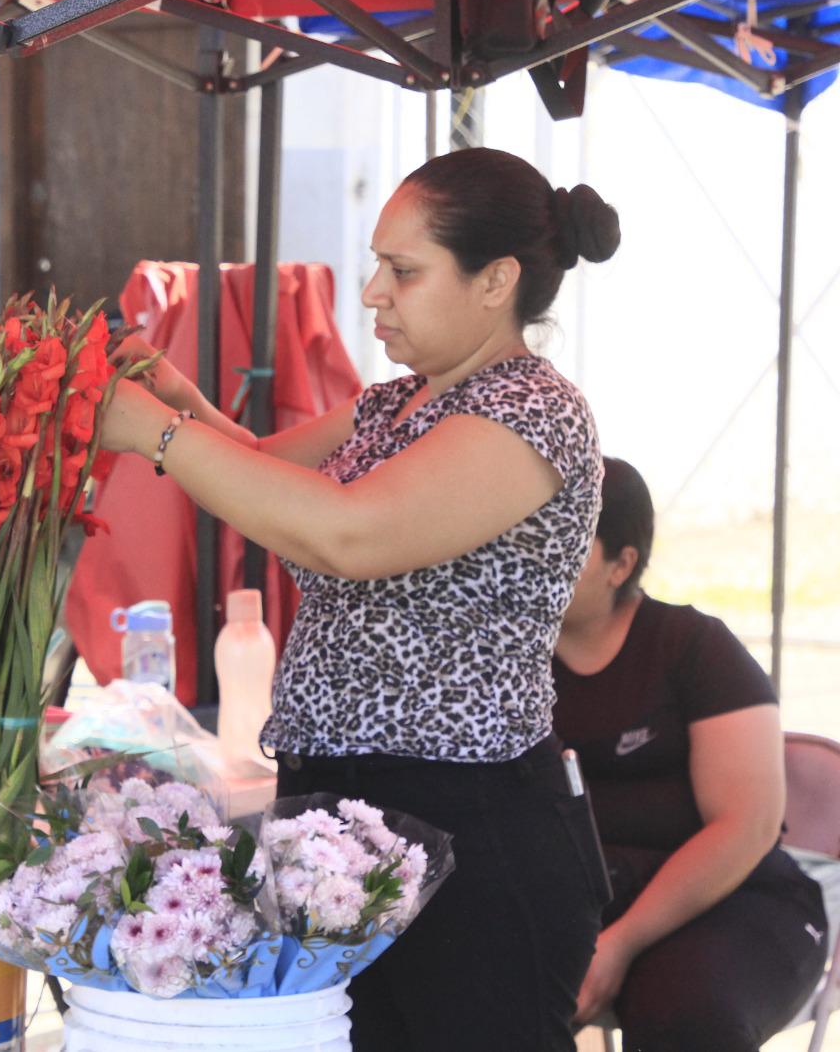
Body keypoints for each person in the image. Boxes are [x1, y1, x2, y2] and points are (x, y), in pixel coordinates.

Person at [99, 146, 620, 1049]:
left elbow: (348, 535)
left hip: (473, 822)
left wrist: (157, 431)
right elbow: (265, 478)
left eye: (404, 271)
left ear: (496, 281)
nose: (374, 291)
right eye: (379, 264)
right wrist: (182, 403)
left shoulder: (534, 411)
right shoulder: (396, 405)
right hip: (338, 814)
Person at [554, 457, 828, 1051]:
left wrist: (619, 943)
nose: (530, 561)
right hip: (576, 901)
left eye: (560, 540)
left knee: (688, 1014)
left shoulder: (694, 649)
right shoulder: (506, 667)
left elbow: (747, 826)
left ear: (619, 563)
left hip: (729, 901)